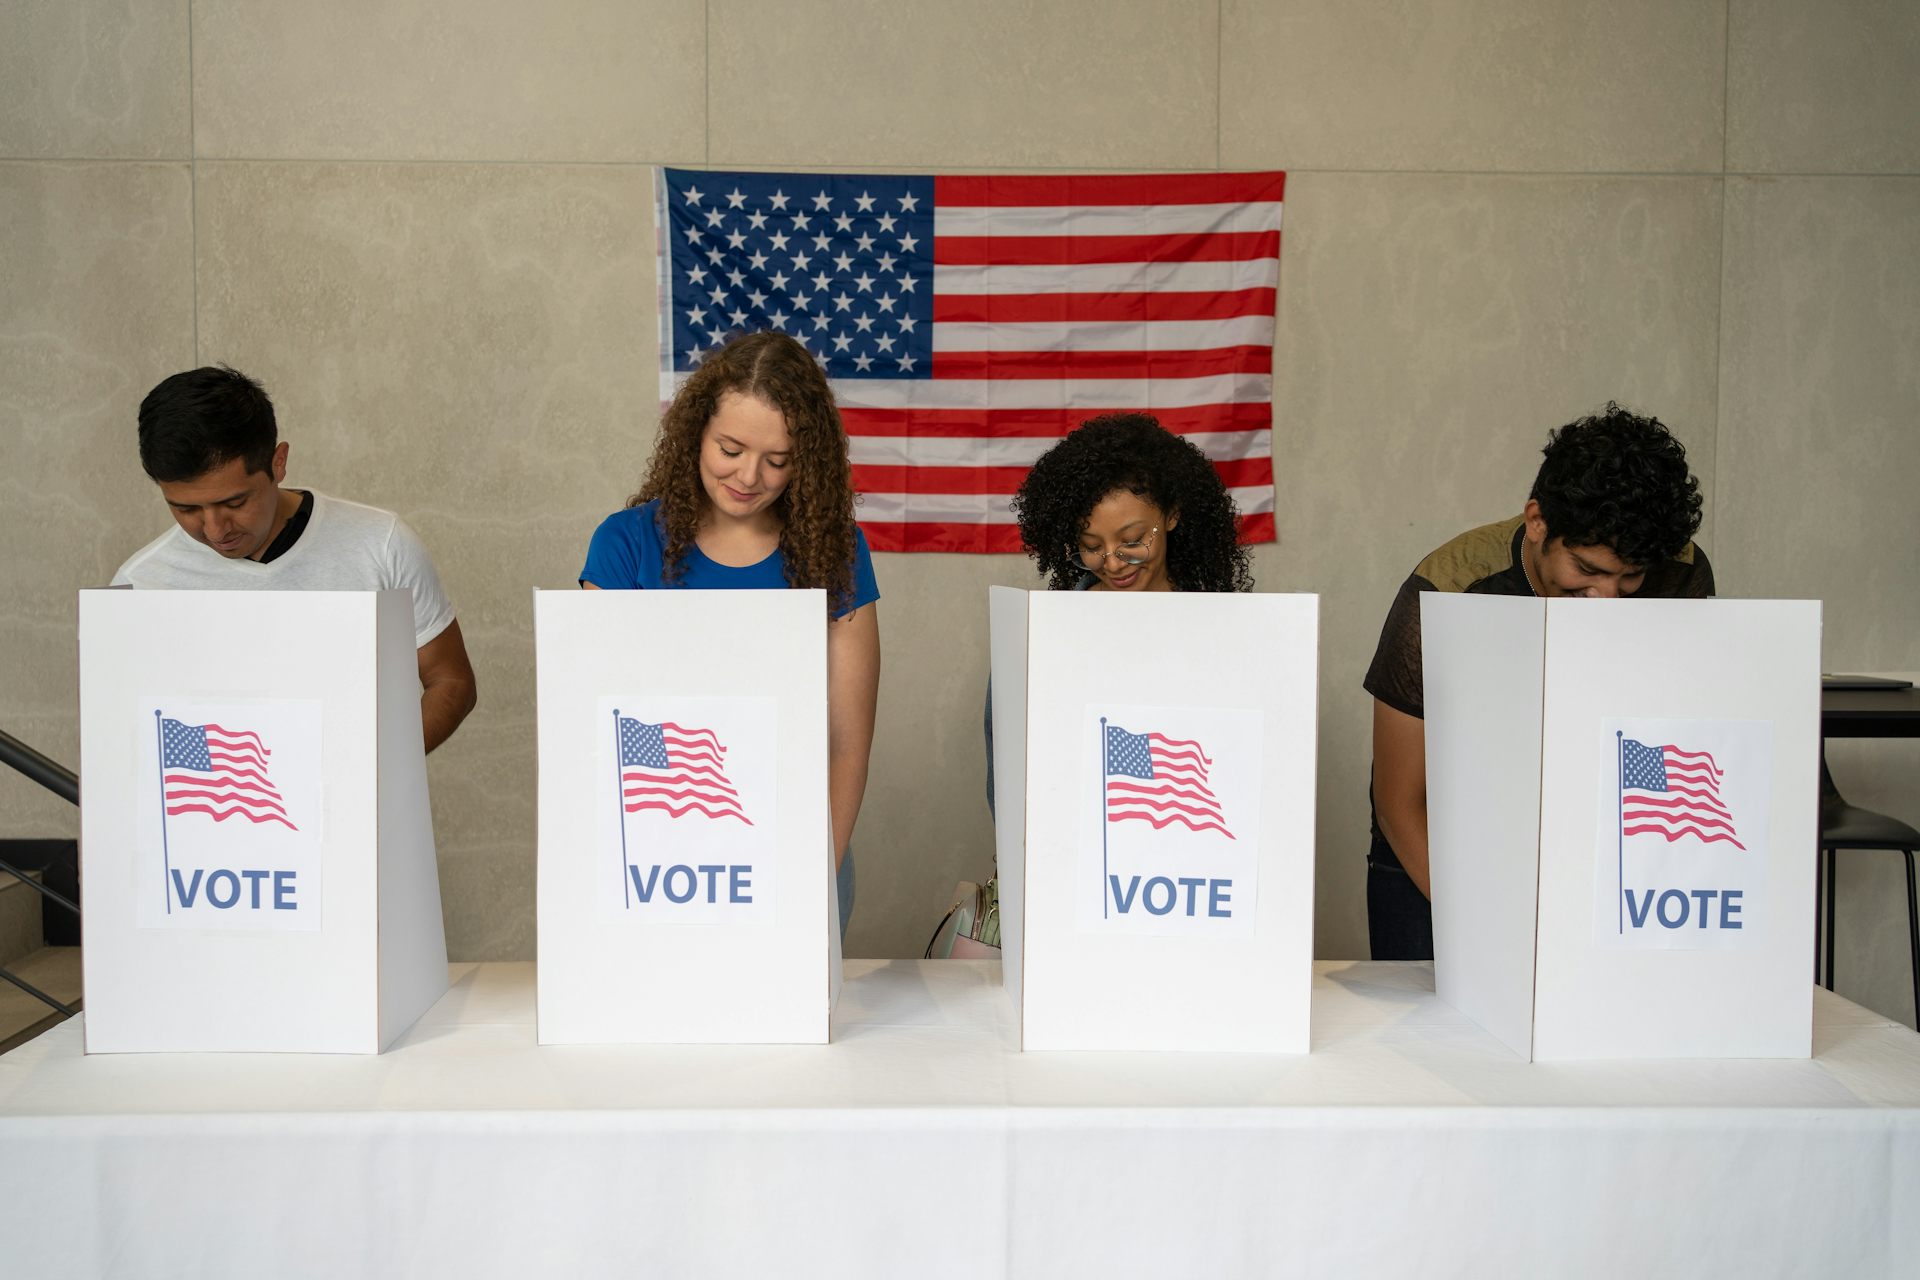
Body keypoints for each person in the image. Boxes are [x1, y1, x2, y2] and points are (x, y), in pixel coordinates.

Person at [1364, 402, 1714, 959]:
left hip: (1602, 852)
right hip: (1436, 853)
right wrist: (1485, 924)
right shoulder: (1448, 588)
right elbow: (1399, 799)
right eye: (1588, 572)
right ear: (1536, 522)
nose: (1606, 601)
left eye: (1630, 580)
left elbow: (1678, 727)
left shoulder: (1680, 571)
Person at [580, 332, 880, 939]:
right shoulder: (625, 542)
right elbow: (596, 719)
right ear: (696, 432)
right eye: (731, 448)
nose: (750, 476)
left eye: (778, 460)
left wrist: (816, 870)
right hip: (651, 853)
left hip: (797, 841)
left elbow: (847, 739)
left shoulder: (837, 551)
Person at [114, 366, 478, 752]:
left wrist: (374, 772)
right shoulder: (139, 585)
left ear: (278, 462)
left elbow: (451, 681)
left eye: (235, 502)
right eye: (186, 509)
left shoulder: (380, 544)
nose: (216, 529)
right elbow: (123, 733)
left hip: (360, 804)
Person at [987, 413, 1252, 812]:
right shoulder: (1036, 636)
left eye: (1132, 540)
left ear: (1172, 514)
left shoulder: (1234, 634)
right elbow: (1008, 782)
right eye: (1091, 545)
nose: (1112, 563)